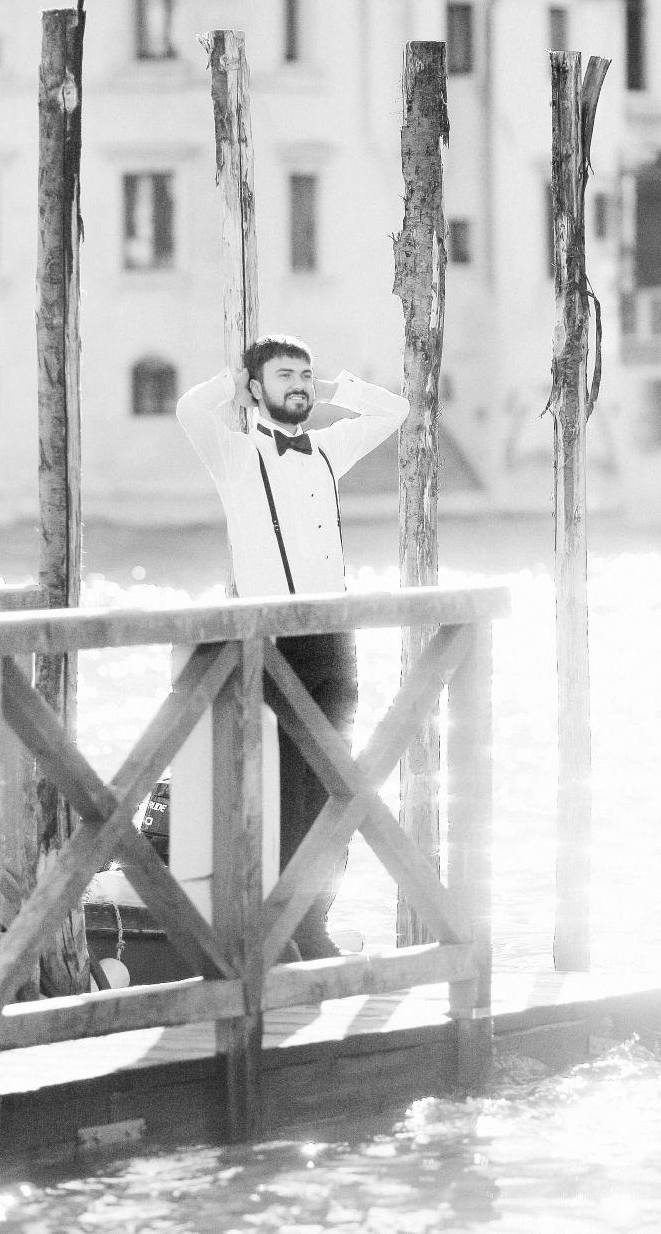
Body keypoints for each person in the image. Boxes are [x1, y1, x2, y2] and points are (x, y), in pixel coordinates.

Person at [176, 334, 408, 958]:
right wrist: (233, 378)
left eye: (304, 374)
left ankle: (315, 921)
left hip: (336, 639)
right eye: (285, 375)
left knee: (337, 788)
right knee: (283, 792)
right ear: (255, 388)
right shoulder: (234, 454)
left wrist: (334, 389)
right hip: (276, 640)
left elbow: (396, 413)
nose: (299, 384)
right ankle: (277, 929)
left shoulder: (328, 451)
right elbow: (189, 411)